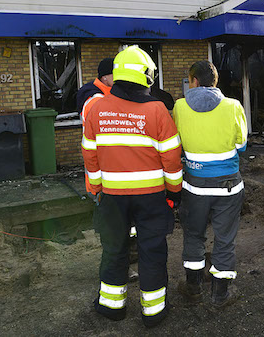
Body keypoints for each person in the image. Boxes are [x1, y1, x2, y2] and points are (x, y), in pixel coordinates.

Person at [81, 46, 183, 328]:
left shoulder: (96, 108)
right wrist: (174, 192)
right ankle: (153, 311)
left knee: (114, 248)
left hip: (112, 196)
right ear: (146, 76)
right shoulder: (157, 110)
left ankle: (112, 306)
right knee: (152, 250)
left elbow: (90, 154)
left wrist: (98, 189)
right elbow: (171, 158)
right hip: (151, 197)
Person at [173, 60, 247, 308]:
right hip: (228, 186)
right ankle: (221, 295)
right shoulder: (233, 106)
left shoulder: (180, 107)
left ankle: (193, 288)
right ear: (215, 82)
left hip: (194, 187)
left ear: (193, 81)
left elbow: (177, 143)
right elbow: (241, 145)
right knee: (225, 239)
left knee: (194, 236)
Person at [77, 58, 114, 196]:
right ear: (104, 77)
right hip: (101, 172)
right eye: (115, 75)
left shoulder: (102, 95)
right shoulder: (96, 100)